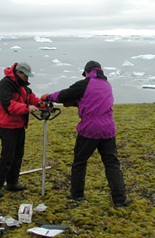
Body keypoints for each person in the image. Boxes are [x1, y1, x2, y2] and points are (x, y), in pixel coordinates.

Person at [41, 61, 131, 207]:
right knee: (112, 164)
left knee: (80, 162)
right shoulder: (106, 85)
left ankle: (77, 194)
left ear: (87, 72)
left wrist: (49, 97)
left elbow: (64, 95)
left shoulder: (85, 84)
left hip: (90, 129)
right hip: (108, 128)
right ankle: (120, 198)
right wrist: (78, 103)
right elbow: (95, 102)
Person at [0, 62, 42, 198]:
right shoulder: (5, 84)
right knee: (7, 155)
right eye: (26, 75)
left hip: (19, 126)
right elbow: (8, 105)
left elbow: (31, 98)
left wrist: (43, 104)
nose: (28, 78)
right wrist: (26, 108)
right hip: (6, 126)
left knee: (18, 155)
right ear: (18, 72)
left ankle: (12, 183)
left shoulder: (22, 85)